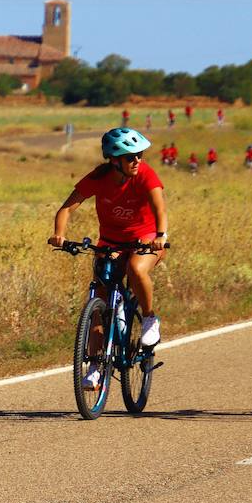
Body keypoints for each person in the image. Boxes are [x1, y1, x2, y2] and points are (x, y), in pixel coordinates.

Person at [48, 127, 169, 391]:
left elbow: (159, 207)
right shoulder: (98, 178)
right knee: (98, 304)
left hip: (146, 239)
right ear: (114, 160)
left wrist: (160, 235)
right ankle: (94, 366)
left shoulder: (145, 174)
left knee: (136, 269)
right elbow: (67, 208)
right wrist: (59, 234)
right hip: (111, 244)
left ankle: (150, 319)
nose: (137, 160)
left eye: (139, 155)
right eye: (130, 157)